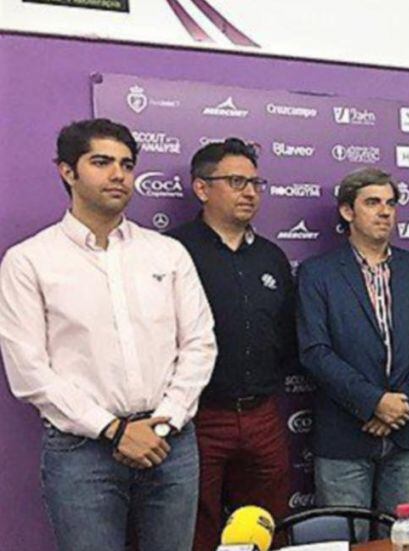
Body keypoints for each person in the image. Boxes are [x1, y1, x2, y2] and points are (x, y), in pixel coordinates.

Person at [0, 118, 216, 551]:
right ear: (67, 171)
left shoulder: (166, 253)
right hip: (82, 452)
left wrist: (167, 420)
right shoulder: (29, 261)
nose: (118, 174)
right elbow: (29, 371)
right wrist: (115, 431)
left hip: (169, 441)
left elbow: (199, 343)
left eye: (127, 164)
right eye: (101, 162)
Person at [296, 168, 409, 541]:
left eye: (391, 203)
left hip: (406, 432)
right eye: (373, 203)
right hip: (344, 436)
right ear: (347, 212)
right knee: (346, 542)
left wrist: (399, 405)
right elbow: (315, 351)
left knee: (404, 541)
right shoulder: (318, 273)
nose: (385, 212)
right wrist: (373, 402)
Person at [169, 138, 295, 551]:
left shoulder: (272, 257)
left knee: (265, 524)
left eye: (256, 183)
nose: (250, 193)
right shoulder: (172, 252)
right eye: (237, 181)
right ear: (202, 188)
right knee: (193, 526)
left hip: (262, 414)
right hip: (198, 416)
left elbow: (286, 334)